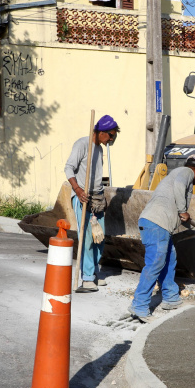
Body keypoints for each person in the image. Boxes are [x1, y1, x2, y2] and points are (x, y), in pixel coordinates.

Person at [128, 154, 195, 320]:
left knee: (170, 259)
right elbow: (182, 209)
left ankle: (170, 297)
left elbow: (182, 218)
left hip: (159, 224)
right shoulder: (186, 173)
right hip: (156, 223)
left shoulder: (176, 176)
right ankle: (139, 305)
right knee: (155, 263)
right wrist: (182, 210)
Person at [65, 114, 119, 291]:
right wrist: (78, 190)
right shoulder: (82, 144)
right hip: (83, 197)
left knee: (99, 237)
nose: (112, 139)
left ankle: (94, 272)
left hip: (97, 197)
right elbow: (68, 168)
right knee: (86, 238)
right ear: (102, 132)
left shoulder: (100, 149)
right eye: (111, 135)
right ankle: (87, 278)